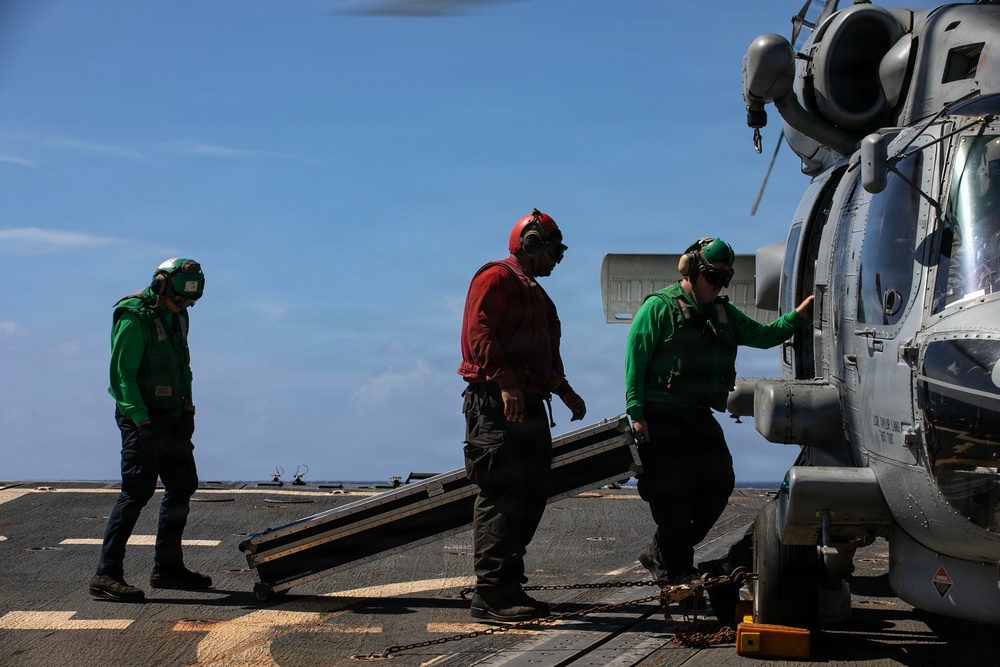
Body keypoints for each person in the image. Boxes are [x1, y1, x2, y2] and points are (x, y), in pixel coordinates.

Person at [624, 237, 814, 626]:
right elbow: (635, 358)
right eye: (713, 277)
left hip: (697, 413)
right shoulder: (659, 308)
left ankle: (662, 550)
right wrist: (636, 412)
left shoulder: (724, 315)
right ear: (692, 271)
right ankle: (678, 576)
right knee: (674, 496)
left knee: (719, 483)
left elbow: (764, 335)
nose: (718, 285)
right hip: (661, 411)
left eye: (724, 279)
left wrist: (799, 316)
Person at [458, 208, 588, 622]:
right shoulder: (496, 277)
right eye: (554, 252)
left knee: (531, 493)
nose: (556, 261)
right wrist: (506, 384)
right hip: (497, 403)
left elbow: (543, 353)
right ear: (531, 245)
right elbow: (479, 331)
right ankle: (490, 593)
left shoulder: (537, 295)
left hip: (529, 403)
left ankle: (509, 585)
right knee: (502, 491)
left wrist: (564, 391)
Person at [89, 258, 212, 602]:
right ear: (160, 286)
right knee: (136, 492)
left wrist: (187, 409)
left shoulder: (179, 315)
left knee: (183, 485)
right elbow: (122, 378)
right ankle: (106, 574)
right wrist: (143, 425)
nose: (184, 305)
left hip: (172, 414)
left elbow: (183, 366)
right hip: (140, 417)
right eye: (179, 298)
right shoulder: (133, 316)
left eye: (190, 301)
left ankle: (168, 569)